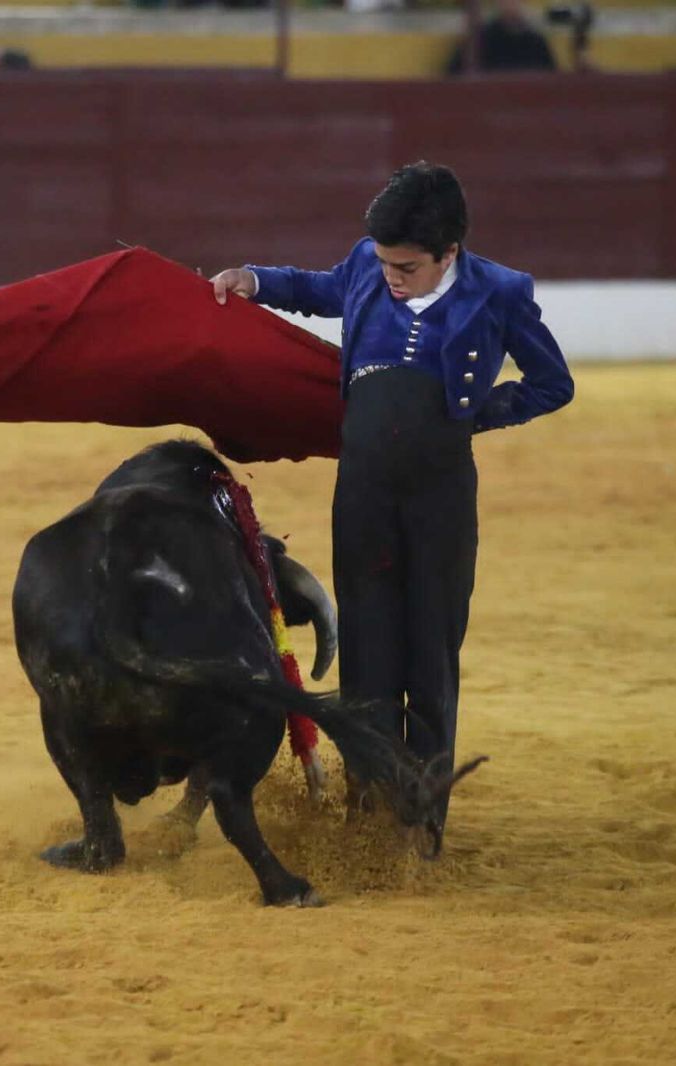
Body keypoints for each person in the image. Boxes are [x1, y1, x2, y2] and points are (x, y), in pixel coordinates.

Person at [209, 163, 573, 858]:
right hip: (365, 493)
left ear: (449, 253)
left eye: (405, 267)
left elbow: (552, 383)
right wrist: (253, 279)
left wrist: (468, 415)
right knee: (370, 657)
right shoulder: (366, 268)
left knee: (430, 656)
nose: (389, 277)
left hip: (440, 497)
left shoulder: (500, 293)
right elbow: (318, 289)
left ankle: (422, 824)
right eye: (381, 264)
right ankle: (366, 814)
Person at [445, 0, 558, 75]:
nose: (510, 3)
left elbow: (551, 80)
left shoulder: (536, 41)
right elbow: (453, 77)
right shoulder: (480, 40)